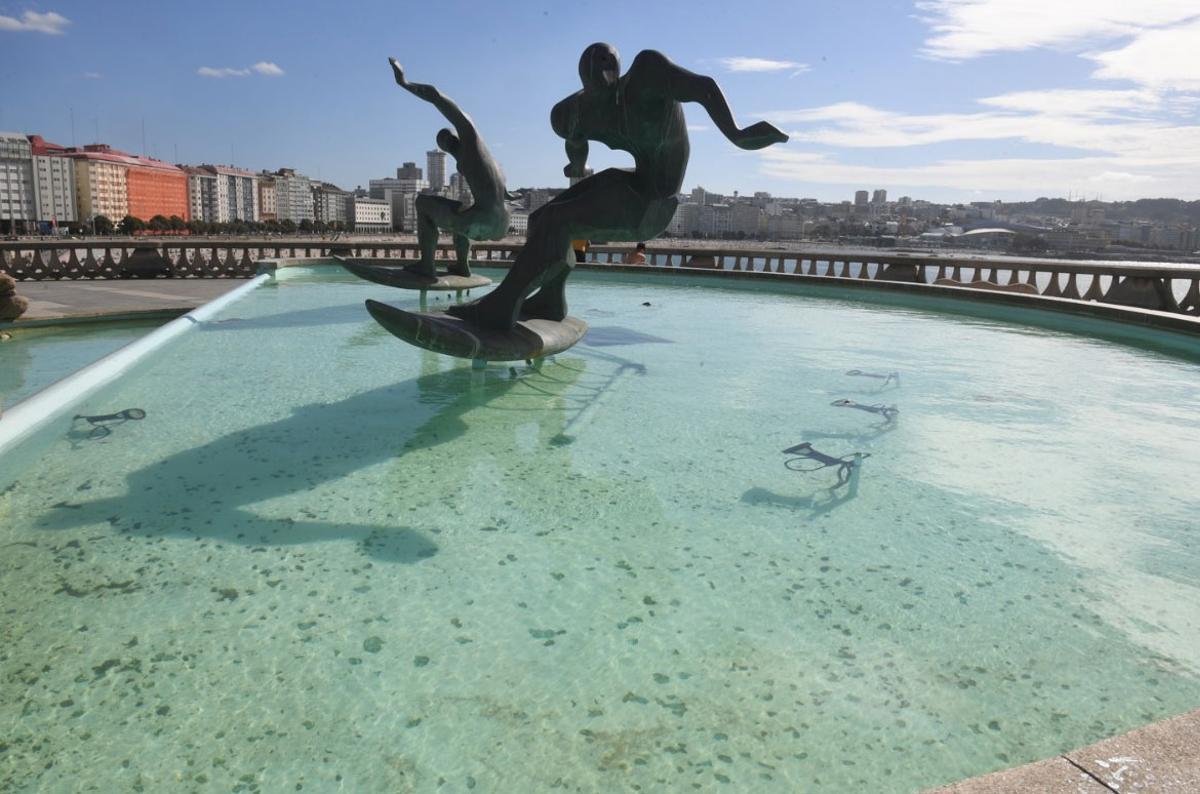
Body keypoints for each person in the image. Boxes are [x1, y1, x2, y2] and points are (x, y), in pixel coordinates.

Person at [449, 43, 787, 329]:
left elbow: (705, 88)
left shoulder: (647, 76)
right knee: (541, 219)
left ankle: (501, 305)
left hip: (655, 201)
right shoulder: (578, 110)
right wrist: (578, 164)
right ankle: (550, 302)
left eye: (608, 62)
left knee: (557, 222)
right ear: (583, 74)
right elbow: (575, 137)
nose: (603, 70)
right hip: (633, 182)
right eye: (594, 65)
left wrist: (737, 134)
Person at [390, 58, 514, 278]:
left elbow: (438, 98)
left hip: (484, 220)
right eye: (443, 145)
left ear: (456, 136)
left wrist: (405, 83)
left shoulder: (471, 139)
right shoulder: (491, 162)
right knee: (459, 210)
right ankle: (463, 266)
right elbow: (506, 193)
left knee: (422, 203)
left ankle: (427, 266)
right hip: (501, 223)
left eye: (447, 141)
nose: (447, 146)